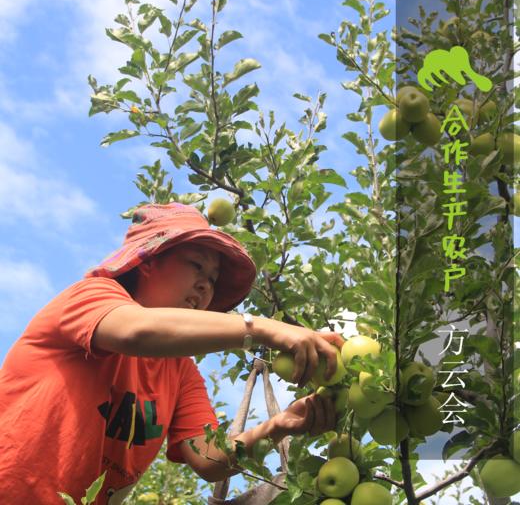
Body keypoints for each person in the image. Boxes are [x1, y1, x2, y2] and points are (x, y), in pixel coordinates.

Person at [0, 202, 345, 504]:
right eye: (197, 265)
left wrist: (279, 426)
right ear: (149, 260)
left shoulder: (179, 372)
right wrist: (264, 328)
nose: (206, 286)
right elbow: (136, 330)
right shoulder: (91, 296)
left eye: (212, 279)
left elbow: (208, 459)